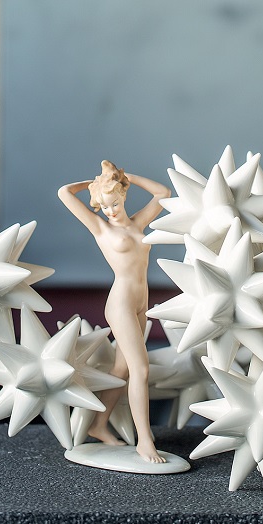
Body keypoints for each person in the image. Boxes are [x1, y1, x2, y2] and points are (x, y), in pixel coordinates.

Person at [58, 160, 170, 463]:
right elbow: (65, 192)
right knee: (141, 370)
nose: (110, 211)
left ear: (123, 196)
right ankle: (145, 440)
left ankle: (98, 425)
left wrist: (125, 176)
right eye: (104, 206)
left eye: (115, 203)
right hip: (120, 303)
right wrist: (95, 183)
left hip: (140, 302)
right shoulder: (100, 228)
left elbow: (163, 194)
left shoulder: (137, 223)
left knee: (122, 369)